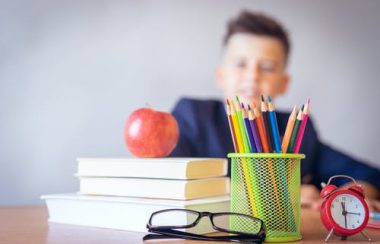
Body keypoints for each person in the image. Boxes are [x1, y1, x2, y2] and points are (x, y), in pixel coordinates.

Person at [170, 10, 380, 210]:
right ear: (220, 75)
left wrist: (350, 196)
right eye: (241, 64)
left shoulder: (298, 130)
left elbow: (369, 176)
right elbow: (168, 181)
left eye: (267, 67)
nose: (253, 75)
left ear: (284, 83)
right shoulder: (193, 116)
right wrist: (282, 193)